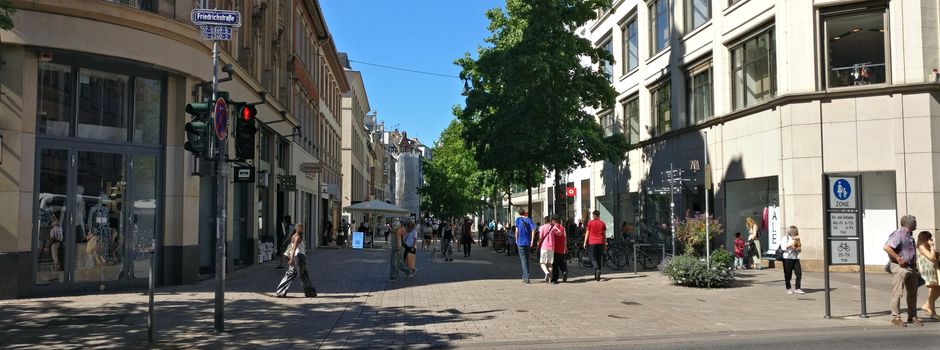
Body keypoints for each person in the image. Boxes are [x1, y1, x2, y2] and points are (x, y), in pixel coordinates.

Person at [884, 215, 923, 327]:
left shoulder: (909, 235)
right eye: (914, 222)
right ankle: (895, 317)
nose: (916, 223)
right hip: (900, 267)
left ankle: (912, 316)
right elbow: (886, 247)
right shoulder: (898, 234)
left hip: (911, 267)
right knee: (897, 292)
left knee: (913, 293)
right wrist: (898, 258)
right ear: (909, 223)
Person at [275, 223, 317, 298]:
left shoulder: (293, 236)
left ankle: (280, 291)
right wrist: (291, 259)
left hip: (296, 258)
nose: (302, 229)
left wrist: (290, 258)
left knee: (291, 274)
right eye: (301, 228)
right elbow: (294, 248)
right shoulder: (297, 237)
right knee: (303, 275)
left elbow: (290, 247)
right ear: (298, 229)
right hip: (299, 258)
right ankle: (309, 292)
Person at [917, 230, 940, 319]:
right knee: (931, 291)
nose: (931, 239)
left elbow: (934, 257)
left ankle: (927, 305)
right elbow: (931, 258)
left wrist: (933, 249)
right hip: (927, 271)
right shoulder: (922, 246)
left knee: (938, 289)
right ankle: (933, 313)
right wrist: (932, 246)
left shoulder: (926, 246)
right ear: (925, 238)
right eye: (929, 238)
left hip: (933, 270)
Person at [514, 210, 536, 283]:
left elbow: (516, 231)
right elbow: (533, 230)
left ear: (519, 213)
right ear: (524, 213)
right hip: (528, 242)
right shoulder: (529, 220)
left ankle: (526, 277)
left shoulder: (518, 220)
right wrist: (532, 240)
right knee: (526, 259)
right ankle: (525, 275)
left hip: (520, 242)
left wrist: (516, 240)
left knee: (523, 260)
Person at [584, 210, 607, 281]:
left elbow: (587, 232)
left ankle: (597, 269)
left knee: (593, 258)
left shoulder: (590, 223)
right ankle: (597, 275)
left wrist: (585, 242)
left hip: (592, 243)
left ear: (594, 215)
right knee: (599, 258)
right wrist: (605, 244)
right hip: (601, 243)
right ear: (599, 215)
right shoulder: (602, 223)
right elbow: (604, 235)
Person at [780, 226, 803, 294]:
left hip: (795, 258)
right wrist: (791, 244)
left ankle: (798, 288)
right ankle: (788, 288)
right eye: (794, 231)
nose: (795, 233)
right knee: (788, 274)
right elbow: (783, 247)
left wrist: (797, 248)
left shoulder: (797, 239)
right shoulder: (785, 238)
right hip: (787, 258)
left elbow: (799, 249)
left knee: (799, 274)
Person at [537, 216, 559, 283]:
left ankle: (546, 272)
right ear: (550, 220)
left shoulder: (542, 227)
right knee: (550, 263)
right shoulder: (552, 227)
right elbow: (559, 233)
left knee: (542, 263)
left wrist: (538, 243)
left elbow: (540, 237)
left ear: (544, 221)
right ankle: (549, 279)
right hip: (552, 247)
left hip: (544, 247)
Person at [551, 216, 568, 283]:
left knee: (554, 264)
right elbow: (565, 238)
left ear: (554, 221)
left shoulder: (552, 228)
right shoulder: (563, 228)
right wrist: (565, 247)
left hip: (554, 248)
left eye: (552, 220)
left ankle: (555, 278)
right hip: (561, 248)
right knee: (561, 262)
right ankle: (564, 271)